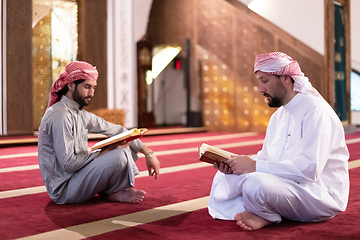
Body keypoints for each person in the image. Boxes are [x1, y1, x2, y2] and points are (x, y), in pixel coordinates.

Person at [208, 52, 349, 230]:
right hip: (287, 186)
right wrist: (235, 165)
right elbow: (268, 159)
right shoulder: (278, 117)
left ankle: (266, 214)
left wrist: (253, 166)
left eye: (264, 80)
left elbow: (309, 170)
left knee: (255, 185)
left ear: (285, 78)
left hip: (317, 193)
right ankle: (261, 211)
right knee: (224, 177)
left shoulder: (315, 111)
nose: (260, 88)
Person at [38, 61, 160, 204]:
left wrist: (148, 153)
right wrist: (105, 150)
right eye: (87, 87)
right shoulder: (60, 115)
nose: (91, 93)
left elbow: (119, 130)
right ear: (71, 85)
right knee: (117, 154)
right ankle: (113, 191)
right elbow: (69, 165)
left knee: (123, 145)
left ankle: (112, 192)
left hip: (78, 176)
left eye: (94, 88)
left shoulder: (79, 113)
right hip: (65, 188)